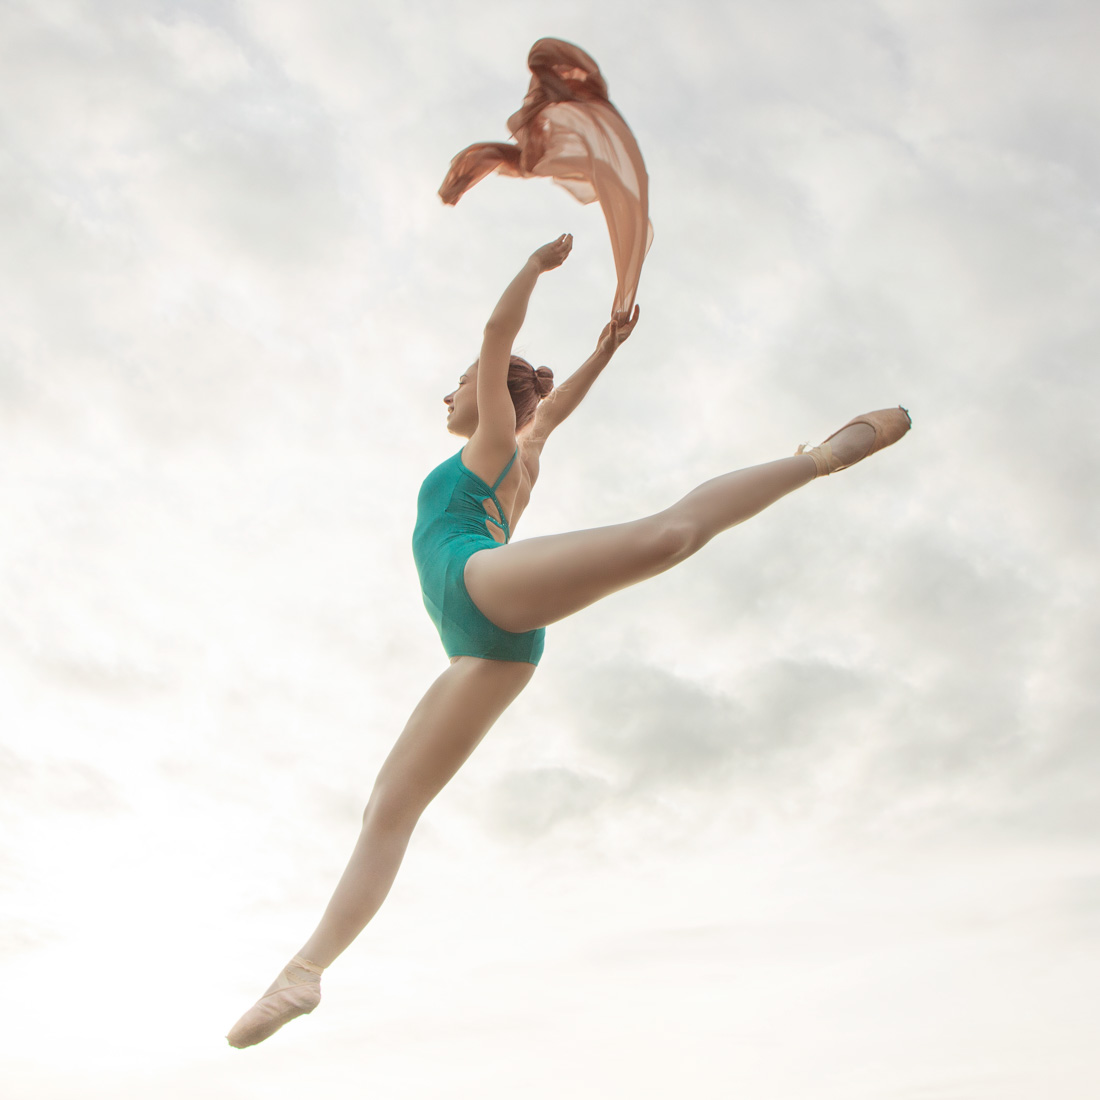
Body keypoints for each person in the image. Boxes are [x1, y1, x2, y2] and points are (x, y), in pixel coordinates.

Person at [226, 233, 910, 1048]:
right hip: (478, 651)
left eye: (457, 390)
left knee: (664, 539)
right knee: (389, 808)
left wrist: (533, 269)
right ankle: (304, 973)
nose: (445, 401)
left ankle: (821, 458)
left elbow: (494, 343)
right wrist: (601, 353)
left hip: (482, 586)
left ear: (489, 397)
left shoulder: (490, 448)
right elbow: (552, 411)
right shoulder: (527, 445)